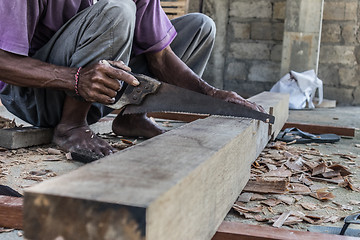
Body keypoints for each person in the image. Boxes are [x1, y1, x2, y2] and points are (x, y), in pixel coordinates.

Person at [0, 0, 265, 160]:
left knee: (200, 27)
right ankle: (71, 126)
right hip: (34, 96)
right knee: (118, 10)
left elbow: (159, 57)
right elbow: (3, 62)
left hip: (99, 88)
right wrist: (76, 78)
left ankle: (133, 116)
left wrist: (210, 93)